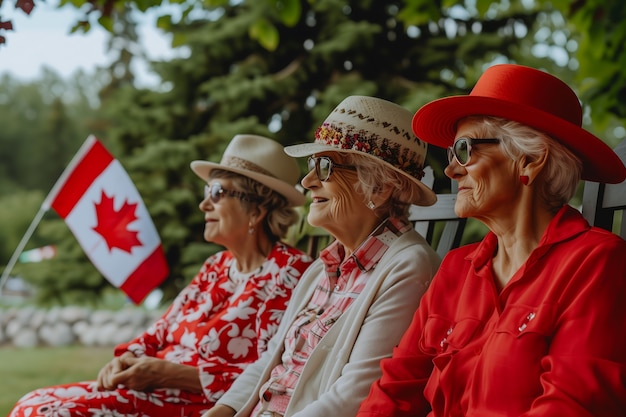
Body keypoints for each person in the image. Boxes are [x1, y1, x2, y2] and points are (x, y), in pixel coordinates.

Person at [356, 64, 626, 417]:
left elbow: (571, 405)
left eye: (465, 150)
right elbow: (394, 391)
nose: (451, 171)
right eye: (451, 155)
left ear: (529, 160)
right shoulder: (456, 267)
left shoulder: (595, 262)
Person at [9, 134, 314, 417]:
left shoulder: (289, 274)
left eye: (218, 192)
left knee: (44, 413)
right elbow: (160, 330)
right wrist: (127, 357)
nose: (204, 203)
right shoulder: (216, 266)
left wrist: (169, 374)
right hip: (152, 391)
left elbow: (273, 372)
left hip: (197, 405)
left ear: (256, 210)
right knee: (31, 402)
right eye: (208, 191)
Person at [202, 95, 441, 417]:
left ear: (380, 187)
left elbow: (355, 395)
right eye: (311, 166)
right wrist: (221, 410)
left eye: (325, 167)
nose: (307, 181)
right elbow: (273, 357)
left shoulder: (407, 267)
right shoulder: (323, 268)